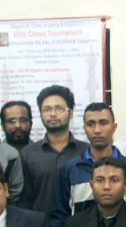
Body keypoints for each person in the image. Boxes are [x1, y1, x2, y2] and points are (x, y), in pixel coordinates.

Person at [49, 103, 126, 227]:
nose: (97, 130)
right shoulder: (69, 170)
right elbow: (59, 217)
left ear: (114, 127)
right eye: (91, 124)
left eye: (103, 123)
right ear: (84, 128)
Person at [19, 85, 89, 213]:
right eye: (47, 109)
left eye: (59, 108)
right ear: (40, 114)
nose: (52, 114)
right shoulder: (28, 154)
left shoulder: (86, 152)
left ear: (71, 113)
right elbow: (25, 199)